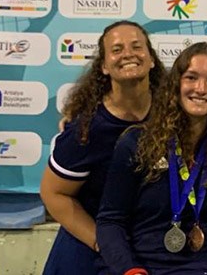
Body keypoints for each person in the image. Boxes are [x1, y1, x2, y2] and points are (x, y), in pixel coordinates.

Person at [96, 42, 207, 275]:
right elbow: (110, 222)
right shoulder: (137, 143)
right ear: (176, 85)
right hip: (141, 267)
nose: (201, 88)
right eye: (191, 78)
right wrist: (129, 269)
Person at [40, 20, 166, 274]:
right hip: (92, 241)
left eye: (137, 47)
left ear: (151, 59)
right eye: (117, 50)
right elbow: (53, 193)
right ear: (104, 67)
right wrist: (103, 242)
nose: (128, 54)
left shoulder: (173, 115)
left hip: (150, 238)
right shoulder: (86, 129)